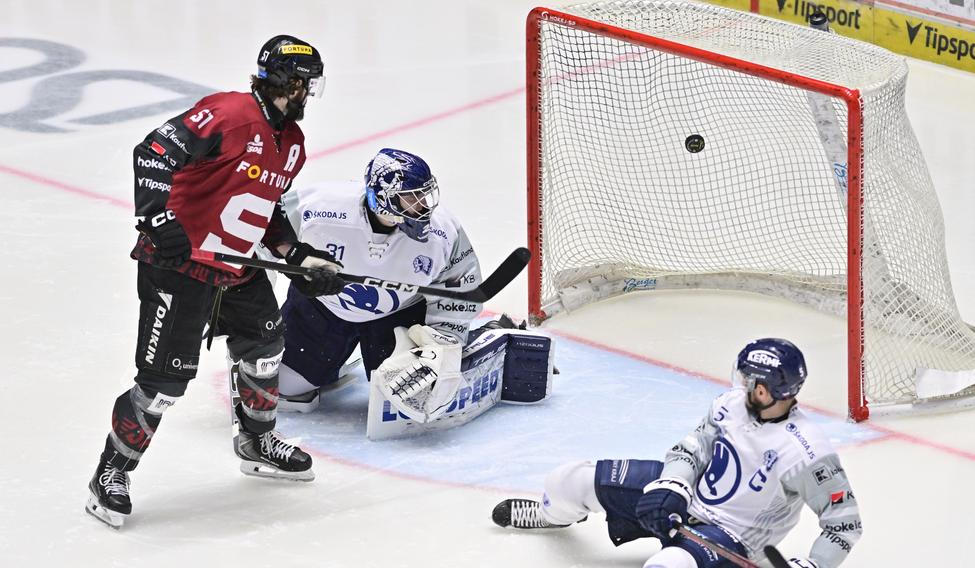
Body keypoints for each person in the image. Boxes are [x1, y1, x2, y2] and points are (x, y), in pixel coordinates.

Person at [85, 35, 346, 529]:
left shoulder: (292, 144)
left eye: (311, 86)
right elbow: (154, 152)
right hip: (179, 267)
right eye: (299, 84)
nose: (305, 94)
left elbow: (265, 213)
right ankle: (110, 475)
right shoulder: (229, 113)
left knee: (266, 348)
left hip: (238, 266)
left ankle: (255, 443)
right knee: (163, 384)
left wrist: (297, 255)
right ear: (274, 79)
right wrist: (157, 221)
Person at [491, 339, 863, 568]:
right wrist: (672, 483)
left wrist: (814, 564)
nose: (742, 385)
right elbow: (694, 448)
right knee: (567, 480)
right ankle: (552, 516)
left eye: (751, 381)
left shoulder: (806, 451)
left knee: (666, 564)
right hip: (685, 502)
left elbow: (844, 522)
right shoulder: (731, 404)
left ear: (768, 390)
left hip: (732, 538)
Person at [275, 148, 485, 422]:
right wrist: (250, 308)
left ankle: (486, 334)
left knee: (409, 395)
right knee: (283, 388)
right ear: (382, 196)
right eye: (410, 198)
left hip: (398, 315)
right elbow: (264, 235)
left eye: (424, 195)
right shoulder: (317, 206)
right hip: (322, 307)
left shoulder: (442, 231)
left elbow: (461, 282)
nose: (422, 205)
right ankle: (329, 362)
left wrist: (443, 341)